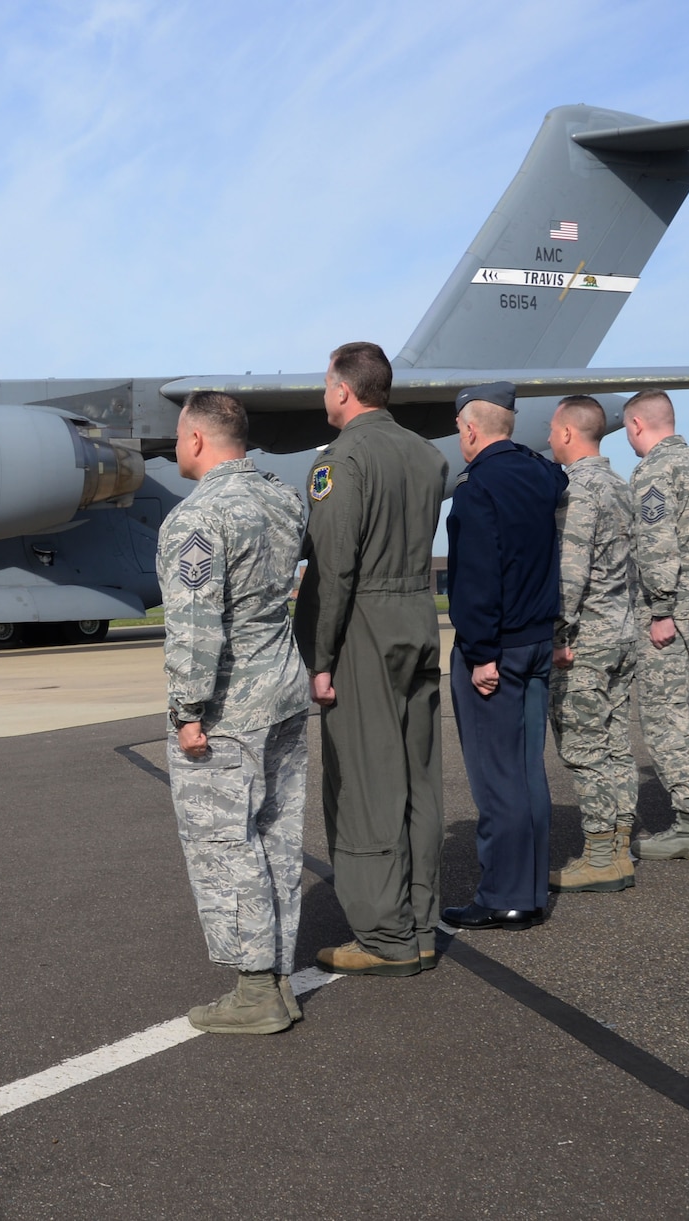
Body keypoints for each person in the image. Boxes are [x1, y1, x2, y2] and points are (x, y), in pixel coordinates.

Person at [159, 390, 314, 1034]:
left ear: (196, 440)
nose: (173, 449)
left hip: (230, 709)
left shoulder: (196, 519)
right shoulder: (282, 499)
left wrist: (187, 711)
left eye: (177, 437)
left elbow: (195, 629)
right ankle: (276, 975)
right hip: (283, 689)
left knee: (226, 843)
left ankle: (254, 991)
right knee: (276, 836)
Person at [294, 341, 449, 975]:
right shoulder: (426, 454)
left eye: (326, 383)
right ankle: (418, 922)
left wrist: (320, 655)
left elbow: (334, 566)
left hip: (363, 627)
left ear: (343, 390)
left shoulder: (341, 460)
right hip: (418, 616)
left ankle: (384, 936)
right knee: (418, 777)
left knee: (363, 782)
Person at [439, 382, 567, 930]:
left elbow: (475, 579)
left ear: (470, 429)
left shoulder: (476, 488)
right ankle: (530, 888)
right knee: (527, 769)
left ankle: (504, 895)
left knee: (498, 777)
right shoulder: (543, 476)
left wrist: (480, 653)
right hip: (538, 639)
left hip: (500, 648)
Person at [624, 389, 689, 861]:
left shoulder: (653, 471)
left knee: (666, 717)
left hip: (674, 610)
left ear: (638, 425)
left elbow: (657, 541)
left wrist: (660, 609)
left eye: (627, 429)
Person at [545, 395, 642, 893]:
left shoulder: (579, 491)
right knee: (616, 745)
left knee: (585, 751)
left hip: (587, 641)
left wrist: (559, 637)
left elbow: (570, 574)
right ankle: (621, 845)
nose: (546, 438)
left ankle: (601, 854)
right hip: (624, 633)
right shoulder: (621, 485)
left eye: (551, 430)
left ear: (566, 433)